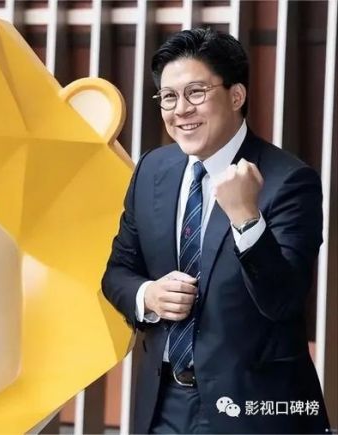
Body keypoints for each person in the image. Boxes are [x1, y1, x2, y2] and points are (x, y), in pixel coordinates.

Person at [101, 28, 330, 434]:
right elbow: (117, 272)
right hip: (162, 406)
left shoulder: (289, 180)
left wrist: (246, 218)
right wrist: (147, 295)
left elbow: (284, 301)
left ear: (236, 95)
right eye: (168, 97)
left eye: (196, 93)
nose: (180, 110)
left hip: (251, 408)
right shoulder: (152, 170)